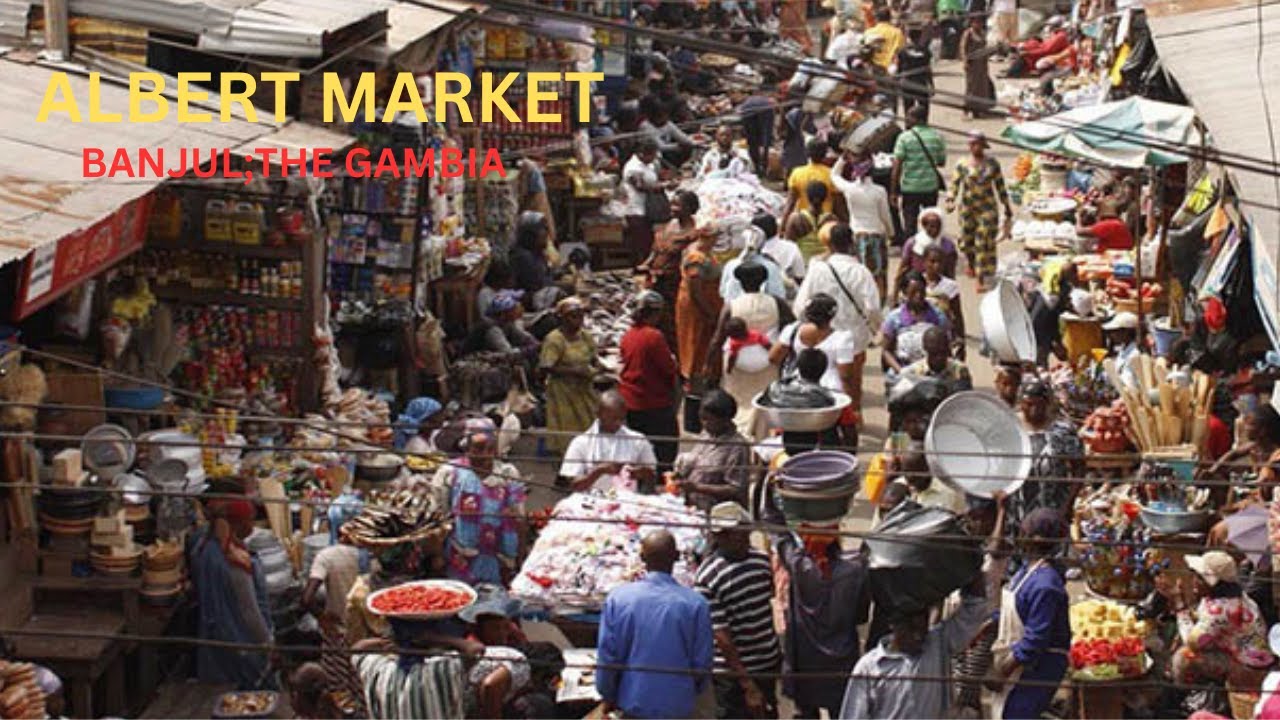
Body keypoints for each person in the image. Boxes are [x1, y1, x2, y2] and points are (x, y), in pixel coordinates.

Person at [764, 500, 870, 718]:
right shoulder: (856, 570)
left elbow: (776, 529)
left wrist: (768, 488)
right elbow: (861, 616)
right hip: (841, 662)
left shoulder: (798, 564)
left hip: (805, 663)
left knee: (806, 713)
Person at [596, 530, 715, 719]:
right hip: (678, 707)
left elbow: (608, 657)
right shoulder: (696, 604)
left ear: (642, 557)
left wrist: (608, 695)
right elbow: (702, 662)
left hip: (633, 705)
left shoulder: (618, 599)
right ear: (676, 556)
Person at [839, 571, 990, 719]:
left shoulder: (939, 644)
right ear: (892, 624)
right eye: (910, 629)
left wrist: (969, 566)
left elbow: (976, 607)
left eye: (922, 629)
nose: (918, 636)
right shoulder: (869, 668)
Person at [695, 502, 783, 719]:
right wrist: (747, 685)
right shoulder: (707, 577)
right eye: (721, 534)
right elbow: (722, 637)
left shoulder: (761, 562)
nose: (726, 538)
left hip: (766, 663)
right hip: (732, 675)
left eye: (731, 532)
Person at [991, 509, 1072, 720]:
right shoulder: (1027, 570)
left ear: (1035, 539)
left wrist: (1003, 671)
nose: (1019, 537)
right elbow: (1016, 608)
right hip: (1020, 660)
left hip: (1036, 667)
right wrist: (987, 626)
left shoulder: (1045, 585)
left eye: (1023, 532)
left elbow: (1035, 639)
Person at [793, 224, 882, 415]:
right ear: (852, 244)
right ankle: (853, 417)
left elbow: (800, 305)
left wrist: (807, 327)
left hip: (822, 337)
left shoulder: (817, 269)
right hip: (855, 339)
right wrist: (874, 329)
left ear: (830, 245)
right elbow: (873, 308)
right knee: (852, 383)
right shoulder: (861, 272)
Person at [190, 498, 274, 689]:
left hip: (214, 634)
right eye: (250, 520)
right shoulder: (235, 562)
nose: (252, 526)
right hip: (239, 638)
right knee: (249, 691)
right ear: (237, 524)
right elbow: (250, 611)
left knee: (219, 688)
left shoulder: (203, 546)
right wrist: (267, 643)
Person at [1165, 551, 1274, 689]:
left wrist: (1179, 606)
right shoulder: (1235, 595)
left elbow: (1191, 641)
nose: (1194, 581)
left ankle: (1181, 691)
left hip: (1246, 664)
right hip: (1244, 650)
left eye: (1200, 578)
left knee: (1184, 656)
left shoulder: (1220, 610)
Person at [436, 432, 526, 586]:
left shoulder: (507, 473)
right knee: (460, 592)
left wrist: (521, 557)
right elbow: (440, 516)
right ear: (467, 450)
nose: (485, 455)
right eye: (478, 449)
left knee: (495, 594)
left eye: (490, 449)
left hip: (497, 554)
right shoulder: (451, 472)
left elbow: (519, 517)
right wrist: (437, 555)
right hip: (460, 552)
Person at [351, 618, 479, 719]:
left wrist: (386, 640)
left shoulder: (379, 669)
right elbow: (475, 649)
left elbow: (357, 649)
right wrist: (436, 638)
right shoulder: (442, 670)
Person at [772, 293, 860, 429]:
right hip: (832, 391)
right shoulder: (842, 338)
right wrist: (851, 407)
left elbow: (773, 357)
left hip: (797, 387)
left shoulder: (792, 330)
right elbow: (846, 376)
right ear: (832, 315)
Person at [1012, 379, 1084, 531]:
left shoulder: (1062, 431)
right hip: (1016, 510)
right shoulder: (1010, 428)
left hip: (1053, 509)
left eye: (1039, 404)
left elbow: (1079, 468)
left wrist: (1068, 505)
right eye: (1029, 404)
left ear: (1047, 403)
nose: (1034, 410)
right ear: (1020, 403)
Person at [620, 291, 680, 470]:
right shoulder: (654, 336)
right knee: (664, 451)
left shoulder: (628, 335)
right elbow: (669, 368)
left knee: (638, 451)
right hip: (654, 402)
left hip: (631, 402)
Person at [642, 190, 707, 349]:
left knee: (673, 322)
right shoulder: (669, 225)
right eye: (672, 204)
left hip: (674, 283)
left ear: (690, 208)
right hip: (657, 281)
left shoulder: (694, 233)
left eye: (677, 205)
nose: (672, 208)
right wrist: (647, 264)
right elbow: (656, 250)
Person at [947, 131, 1013, 288]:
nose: (975, 147)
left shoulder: (992, 164)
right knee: (966, 241)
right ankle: (971, 263)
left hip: (987, 208)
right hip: (967, 208)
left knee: (983, 241)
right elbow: (955, 184)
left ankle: (980, 277)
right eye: (972, 144)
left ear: (983, 146)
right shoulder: (962, 164)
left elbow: (1000, 186)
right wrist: (950, 200)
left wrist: (1007, 206)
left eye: (978, 144)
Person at [559, 390, 658, 493]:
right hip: (590, 500)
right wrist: (599, 471)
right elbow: (574, 486)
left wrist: (643, 474)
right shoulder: (580, 443)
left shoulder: (637, 440)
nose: (618, 423)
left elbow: (652, 478)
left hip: (627, 500)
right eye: (613, 419)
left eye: (621, 419)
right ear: (598, 414)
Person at [674, 390, 753, 511]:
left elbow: (735, 489)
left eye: (708, 419)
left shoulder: (738, 447)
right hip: (693, 507)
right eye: (702, 418)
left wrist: (697, 487)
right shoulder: (706, 434)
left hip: (719, 512)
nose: (704, 424)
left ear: (725, 419)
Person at [459, 588, 533, 719]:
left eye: (505, 627)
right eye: (495, 628)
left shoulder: (512, 634)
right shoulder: (474, 647)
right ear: (478, 628)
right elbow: (490, 686)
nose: (502, 633)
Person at [539, 297, 599, 455]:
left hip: (584, 389)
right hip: (563, 392)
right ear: (563, 319)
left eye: (581, 316)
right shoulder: (555, 339)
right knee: (568, 429)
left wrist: (597, 369)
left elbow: (594, 358)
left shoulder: (585, 336)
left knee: (589, 423)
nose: (578, 320)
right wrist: (574, 371)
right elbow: (546, 366)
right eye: (573, 316)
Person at [831, 152, 894, 298]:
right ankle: (880, 302)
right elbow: (885, 216)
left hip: (857, 236)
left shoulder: (849, 189)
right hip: (876, 234)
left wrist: (842, 159)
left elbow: (834, 175)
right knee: (880, 274)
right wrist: (891, 232)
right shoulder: (879, 191)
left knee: (860, 272)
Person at [676, 219, 725, 386]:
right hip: (698, 309)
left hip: (707, 303)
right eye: (715, 236)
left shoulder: (705, 253)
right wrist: (708, 312)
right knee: (696, 341)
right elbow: (695, 290)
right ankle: (694, 376)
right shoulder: (696, 258)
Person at [891, 107, 947, 244]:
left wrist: (893, 191)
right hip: (930, 187)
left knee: (910, 225)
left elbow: (897, 166)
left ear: (918, 119)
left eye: (909, 117)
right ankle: (931, 248)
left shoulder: (904, 137)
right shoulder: (936, 136)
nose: (906, 119)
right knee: (931, 223)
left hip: (910, 188)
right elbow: (941, 162)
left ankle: (912, 251)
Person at [302, 513, 369, 626]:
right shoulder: (372, 553)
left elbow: (306, 600)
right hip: (368, 625)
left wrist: (323, 619)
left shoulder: (326, 556)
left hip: (338, 625)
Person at [882, 272, 952, 376]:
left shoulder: (938, 317)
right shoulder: (894, 318)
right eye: (913, 292)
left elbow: (947, 347)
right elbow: (886, 351)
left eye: (921, 291)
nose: (918, 295)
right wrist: (901, 371)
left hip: (933, 372)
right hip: (903, 371)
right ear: (904, 292)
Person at [623, 140, 667, 266]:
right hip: (636, 209)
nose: (654, 158)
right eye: (652, 155)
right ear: (642, 154)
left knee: (648, 241)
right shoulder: (633, 168)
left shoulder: (649, 165)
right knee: (640, 243)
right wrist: (661, 186)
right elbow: (639, 186)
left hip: (648, 208)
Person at [466, 290, 539, 363]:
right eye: (512, 309)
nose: (517, 311)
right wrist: (528, 349)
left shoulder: (506, 324)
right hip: (472, 362)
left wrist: (532, 342)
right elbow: (509, 354)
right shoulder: (492, 329)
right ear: (503, 314)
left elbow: (524, 338)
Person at [721, 230, 789, 302]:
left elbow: (723, 292)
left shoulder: (730, 265)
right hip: (764, 307)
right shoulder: (771, 267)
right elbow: (779, 295)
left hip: (734, 308)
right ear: (762, 244)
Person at [783, 138, 837, 225]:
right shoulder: (832, 175)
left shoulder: (797, 173)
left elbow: (790, 204)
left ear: (807, 153)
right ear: (825, 154)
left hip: (803, 222)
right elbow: (838, 205)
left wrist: (782, 226)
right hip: (825, 221)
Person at [905, 326, 972, 395]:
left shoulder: (959, 370)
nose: (939, 357)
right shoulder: (913, 373)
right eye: (934, 353)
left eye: (943, 352)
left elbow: (965, 397)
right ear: (925, 349)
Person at [510, 211, 556, 308]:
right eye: (542, 229)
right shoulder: (523, 256)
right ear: (530, 234)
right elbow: (541, 286)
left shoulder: (537, 253)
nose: (546, 233)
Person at [922, 245, 965, 340]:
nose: (936, 265)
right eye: (932, 261)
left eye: (940, 262)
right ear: (924, 262)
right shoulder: (917, 283)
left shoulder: (950, 286)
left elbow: (957, 315)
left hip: (943, 336)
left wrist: (961, 338)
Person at [756, 213, 807, 291]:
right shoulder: (791, 247)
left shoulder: (751, 252)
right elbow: (800, 276)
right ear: (777, 228)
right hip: (787, 293)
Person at [640, 98, 696, 167]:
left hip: (668, 150)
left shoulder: (667, 124)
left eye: (666, 116)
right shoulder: (646, 126)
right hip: (653, 153)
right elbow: (660, 146)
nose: (665, 118)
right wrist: (678, 146)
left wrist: (691, 142)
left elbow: (682, 137)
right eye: (661, 116)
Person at [735, 84, 776, 177]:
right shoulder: (767, 101)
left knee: (752, 141)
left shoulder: (746, 103)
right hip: (766, 109)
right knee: (765, 138)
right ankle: (765, 165)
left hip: (748, 111)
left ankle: (757, 167)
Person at [960, 17, 997, 118]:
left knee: (981, 88)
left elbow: (984, 47)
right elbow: (963, 48)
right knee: (971, 87)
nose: (978, 24)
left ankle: (978, 110)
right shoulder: (968, 33)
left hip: (982, 64)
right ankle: (966, 109)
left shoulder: (982, 33)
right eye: (976, 22)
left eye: (980, 22)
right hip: (972, 64)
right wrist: (965, 61)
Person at [896, 25, 933, 119]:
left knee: (908, 108)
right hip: (921, 83)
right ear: (920, 36)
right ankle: (923, 125)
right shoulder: (925, 50)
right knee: (924, 108)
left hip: (907, 83)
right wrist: (931, 84)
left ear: (909, 36)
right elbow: (928, 69)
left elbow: (899, 69)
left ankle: (909, 126)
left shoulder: (902, 51)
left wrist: (897, 82)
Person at [1102, 311, 1141, 388]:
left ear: (1126, 332)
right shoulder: (1123, 350)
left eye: (1115, 331)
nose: (1111, 335)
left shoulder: (1134, 354)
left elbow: (1129, 383)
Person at [780, 108, 817, 180]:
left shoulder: (792, 115)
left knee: (789, 170)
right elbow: (813, 130)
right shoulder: (806, 115)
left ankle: (787, 182)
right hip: (801, 149)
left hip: (792, 148)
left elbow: (784, 132)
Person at [863, 7, 905, 71]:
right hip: (890, 68)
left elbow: (865, 49)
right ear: (890, 18)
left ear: (877, 19)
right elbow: (900, 49)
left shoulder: (868, 32)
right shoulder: (897, 32)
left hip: (872, 68)